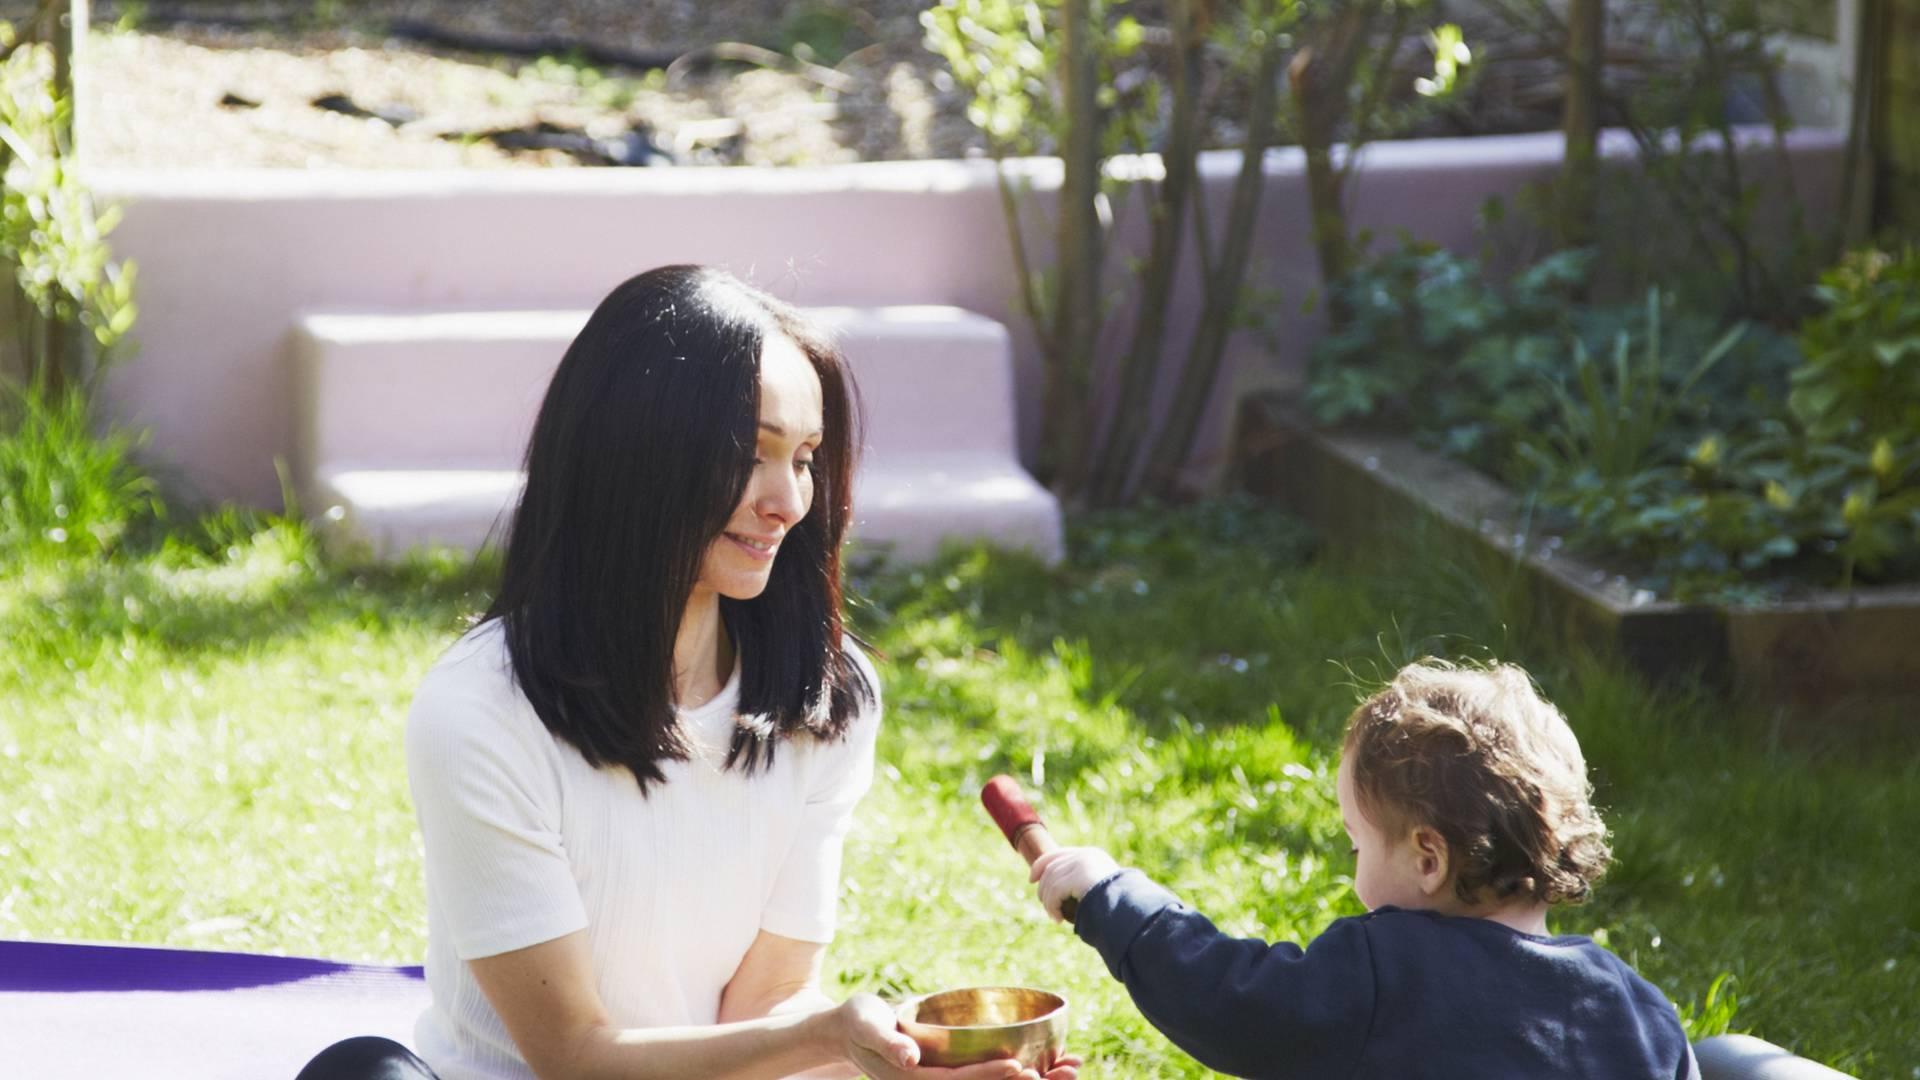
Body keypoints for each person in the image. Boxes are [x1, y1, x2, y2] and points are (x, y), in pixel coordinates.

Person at [299, 266, 1079, 1080]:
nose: (789, 500)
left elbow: (766, 1006)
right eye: (751, 454)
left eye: (806, 457)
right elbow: (572, 1056)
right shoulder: (480, 711)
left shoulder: (826, 696)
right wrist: (822, 1039)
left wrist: (908, 1072)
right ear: (633, 454)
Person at [1030, 659, 1699, 1079]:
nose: (1353, 871)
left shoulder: (1390, 971)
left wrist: (1109, 896)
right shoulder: (1635, 1005)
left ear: (1427, 859)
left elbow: (1231, 999)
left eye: (1357, 844)